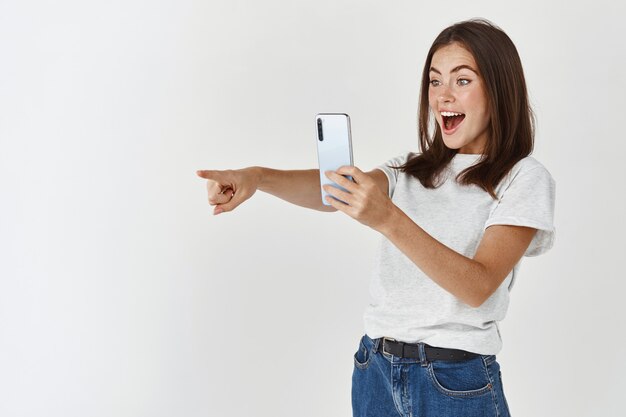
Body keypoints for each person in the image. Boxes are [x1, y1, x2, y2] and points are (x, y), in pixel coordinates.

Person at [196, 18, 555, 417]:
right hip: (376, 371)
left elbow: (478, 286)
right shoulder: (411, 168)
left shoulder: (524, 178)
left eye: (462, 81)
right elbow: (335, 192)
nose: (443, 96)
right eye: (435, 82)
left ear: (500, 89)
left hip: (454, 382)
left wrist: (388, 219)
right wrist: (256, 177)